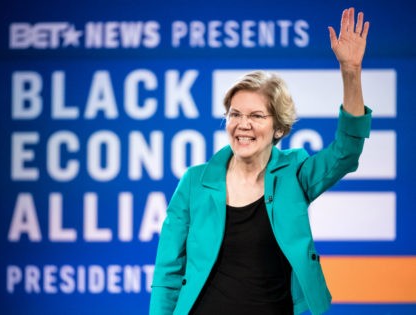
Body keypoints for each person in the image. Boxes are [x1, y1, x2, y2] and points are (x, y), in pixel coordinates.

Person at [150, 7, 371, 315]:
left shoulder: (295, 174)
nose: (243, 124)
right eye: (235, 114)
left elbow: (346, 152)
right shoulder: (194, 181)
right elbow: (167, 273)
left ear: (279, 127)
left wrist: (351, 72)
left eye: (256, 116)